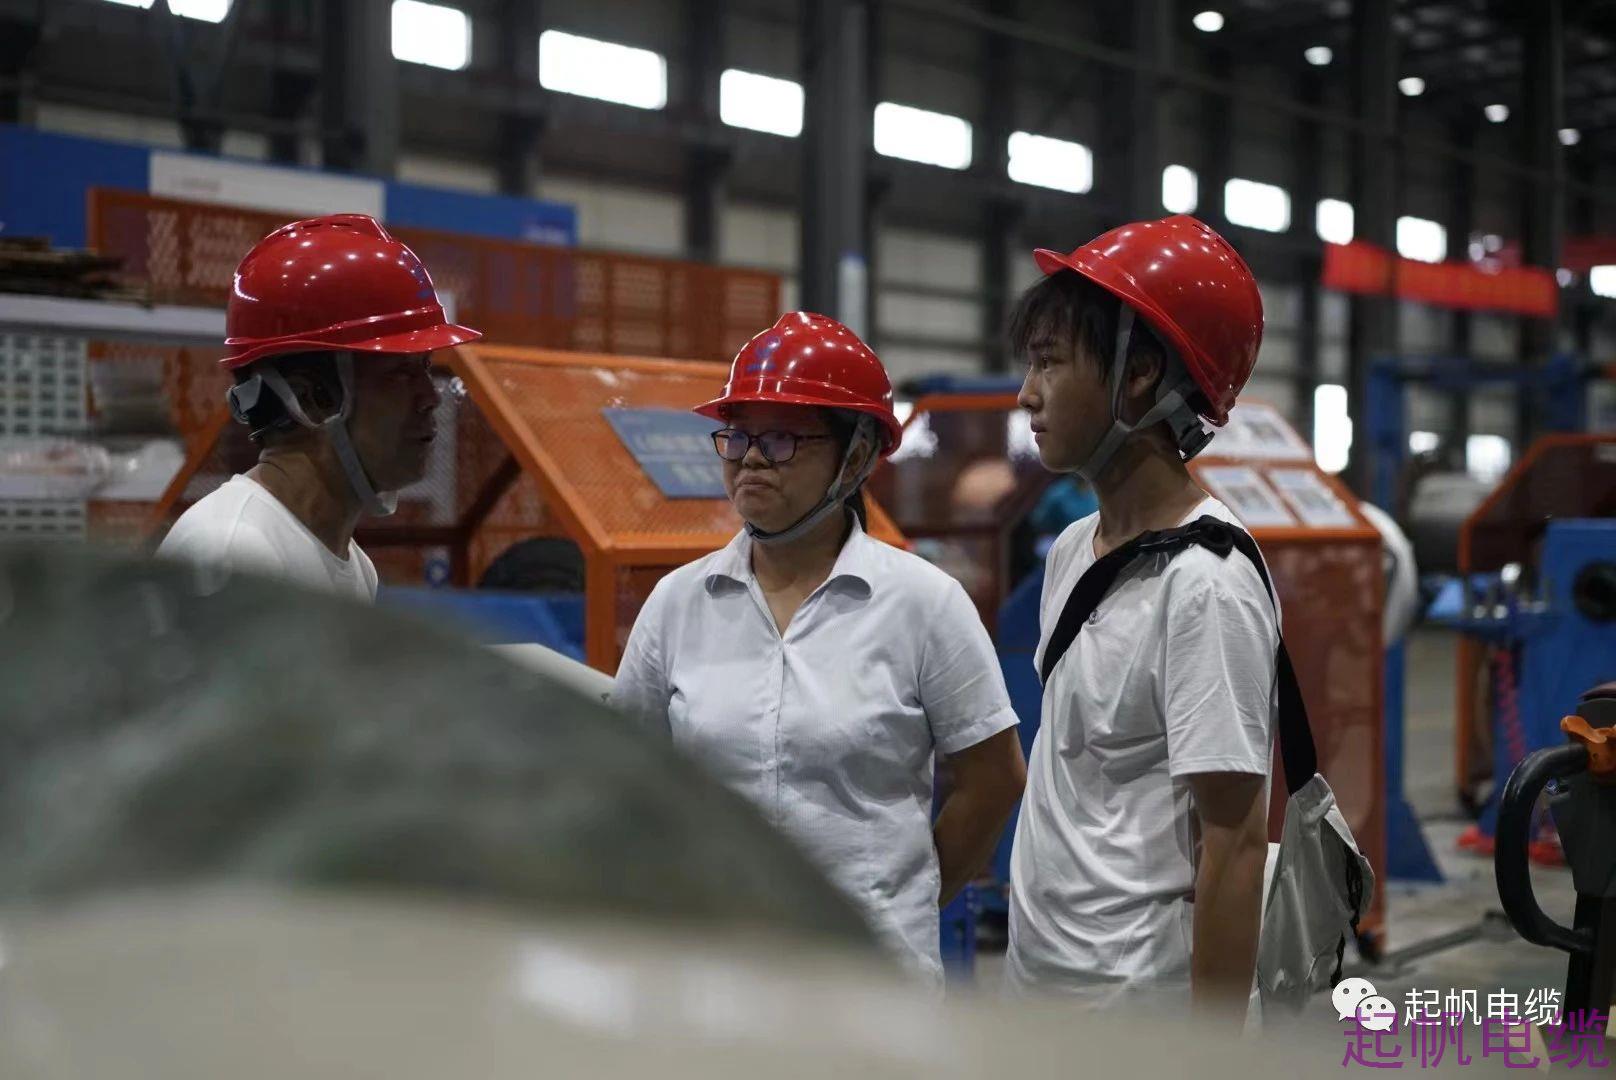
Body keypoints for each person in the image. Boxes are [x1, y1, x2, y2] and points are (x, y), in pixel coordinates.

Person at [611, 311, 1028, 985]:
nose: (750, 458)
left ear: (856, 456)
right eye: (737, 435)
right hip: (717, 974)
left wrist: (899, 905)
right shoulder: (678, 604)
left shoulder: (923, 604)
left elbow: (995, 778)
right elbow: (629, 771)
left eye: (780, 439)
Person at [1005, 215, 1274, 1016]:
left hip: (1137, 1010)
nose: (1027, 393)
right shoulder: (1073, 550)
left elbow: (1234, 845)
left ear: (1141, 372)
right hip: (1041, 985)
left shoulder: (1206, 584)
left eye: (1050, 361)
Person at [158, 214, 481, 601]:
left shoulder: (354, 567)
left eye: (425, 368)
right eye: (399, 373)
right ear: (312, 398)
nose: (431, 397)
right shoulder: (235, 553)